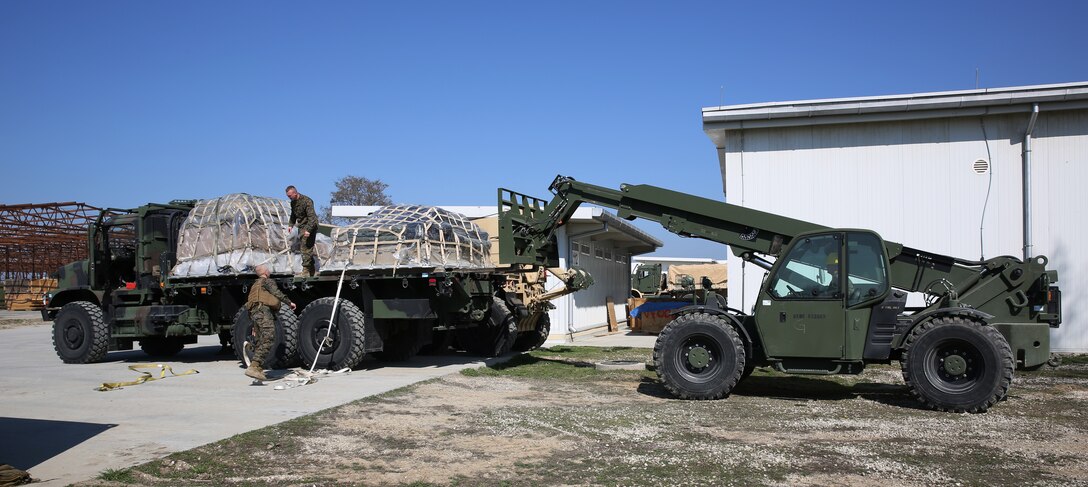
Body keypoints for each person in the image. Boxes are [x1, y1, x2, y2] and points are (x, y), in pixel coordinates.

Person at [244, 264, 296, 381]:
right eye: (268, 270)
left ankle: (258, 369)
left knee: (260, 340)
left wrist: (253, 323)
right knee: (269, 337)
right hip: (263, 311)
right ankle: (254, 366)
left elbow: (250, 303)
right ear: (266, 272)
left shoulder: (255, 285)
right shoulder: (267, 281)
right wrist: (289, 302)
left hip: (255, 313)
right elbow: (276, 293)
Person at [286, 185, 319, 277]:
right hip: (301, 227)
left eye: (290, 196)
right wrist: (290, 225)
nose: (289, 198)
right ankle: (312, 270)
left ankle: (305, 271)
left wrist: (308, 230)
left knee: (305, 248)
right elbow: (293, 214)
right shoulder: (293, 203)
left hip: (310, 225)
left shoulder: (307, 201)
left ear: (295, 193)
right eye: (288, 196)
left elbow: (312, 218)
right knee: (306, 248)